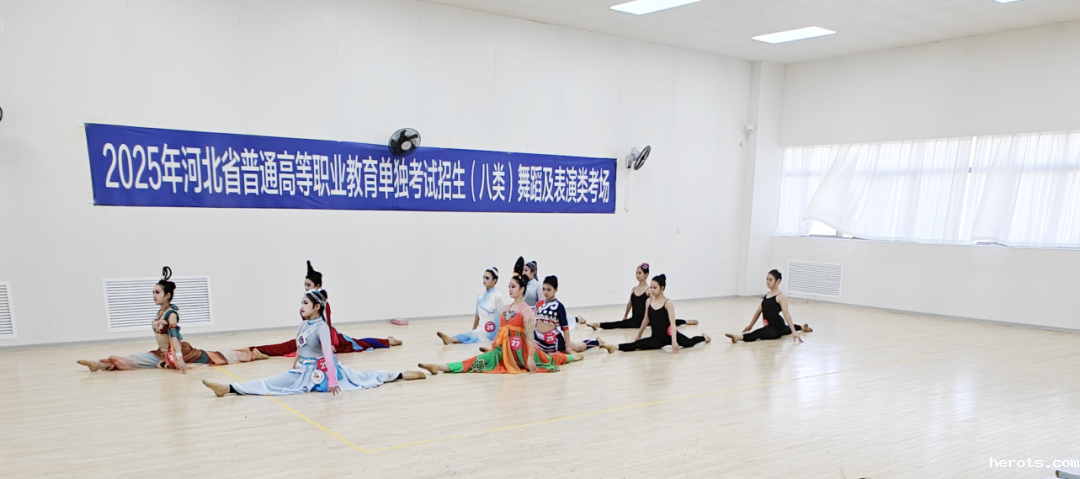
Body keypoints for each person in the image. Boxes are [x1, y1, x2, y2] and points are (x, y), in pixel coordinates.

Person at [202, 289, 426, 397]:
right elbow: (300, 347)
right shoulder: (304, 324)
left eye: (305, 303)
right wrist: (295, 365)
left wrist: (332, 380)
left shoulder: (322, 327)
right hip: (303, 369)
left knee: (366, 377)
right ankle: (228, 388)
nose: (301, 307)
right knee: (272, 382)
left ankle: (400, 374)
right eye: (301, 303)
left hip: (322, 370)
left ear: (316, 307)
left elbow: (328, 354)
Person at [78, 267, 265, 372]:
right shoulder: (160, 312)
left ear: (167, 295)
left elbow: (174, 337)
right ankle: (100, 364)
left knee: (218, 357)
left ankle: (252, 354)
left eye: (157, 292)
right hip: (162, 353)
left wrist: (179, 359)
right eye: (153, 292)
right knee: (135, 360)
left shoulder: (171, 314)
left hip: (180, 352)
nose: (154, 295)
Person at [418, 258, 582, 375]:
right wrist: (494, 345)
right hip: (503, 349)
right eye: (509, 286)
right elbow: (500, 331)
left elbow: (530, 336)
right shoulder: (505, 308)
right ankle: (439, 366)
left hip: (521, 352)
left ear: (522, 289)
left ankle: (572, 357)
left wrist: (531, 357)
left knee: (550, 359)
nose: (509, 289)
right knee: (476, 361)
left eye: (513, 287)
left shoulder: (526, 311)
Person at [248, 261, 401, 357]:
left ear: (318, 286)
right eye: (305, 285)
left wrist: (328, 344)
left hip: (326, 337)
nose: (306, 288)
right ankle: (256, 350)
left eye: (309, 285)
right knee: (286, 346)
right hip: (309, 337)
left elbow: (326, 324)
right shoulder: (307, 302)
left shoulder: (322, 304)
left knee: (358, 344)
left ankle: (387, 341)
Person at [617, 274, 711, 354]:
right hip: (656, 339)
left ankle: (704, 338)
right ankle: (615, 347)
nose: (652, 290)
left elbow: (672, 323)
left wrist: (674, 341)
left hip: (669, 335)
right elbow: (646, 320)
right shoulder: (648, 301)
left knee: (689, 343)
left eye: (655, 288)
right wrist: (639, 334)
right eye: (651, 287)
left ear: (662, 288)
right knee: (636, 345)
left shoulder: (668, 303)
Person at [588, 263, 697, 330]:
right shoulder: (633, 289)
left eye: (639, 273)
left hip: (646, 321)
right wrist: (625, 315)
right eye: (636, 273)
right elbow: (629, 304)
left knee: (667, 322)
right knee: (618, 324)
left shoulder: (649, 290)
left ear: (646, 275)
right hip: (635, 320)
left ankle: (686, 321)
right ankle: (598, 324)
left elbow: (656, 303)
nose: (637, 275)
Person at [724, 270, 812, 344]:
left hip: (775, 328)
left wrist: (794, 332)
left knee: (758, 333)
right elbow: (758, 311)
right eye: (767, 279)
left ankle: (738, 337)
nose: (768, 282)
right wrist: (750, 325)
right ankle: (802, 327)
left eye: (770, 280)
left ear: (778, 281)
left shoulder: (781, 297)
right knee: (786, 329)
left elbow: (786, 314)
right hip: (772, 325)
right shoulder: (767, 295)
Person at [534, 275, 613, 354]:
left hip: (553, 341)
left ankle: (597, 342)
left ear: (556, 290)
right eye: (543, 289)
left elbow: (565, 328)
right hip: (538, 339)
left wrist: (568, 346)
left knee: (579, 347)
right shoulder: (539, 304)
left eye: (549, 290)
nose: (545, 292)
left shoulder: (559, 306)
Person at [437, 267, 503, 345]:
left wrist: (500, 333)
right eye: (483, 277)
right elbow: (477, 313)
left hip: (492, 329)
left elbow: (500, 316)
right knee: (474, 333)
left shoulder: (498, 296)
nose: (484, 280)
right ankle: (450, 339)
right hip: (482, 327)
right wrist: (474, 326)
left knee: (474, 334)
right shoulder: (480, 294)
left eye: (487, 278)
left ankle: (450, 339)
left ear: (494, 281)